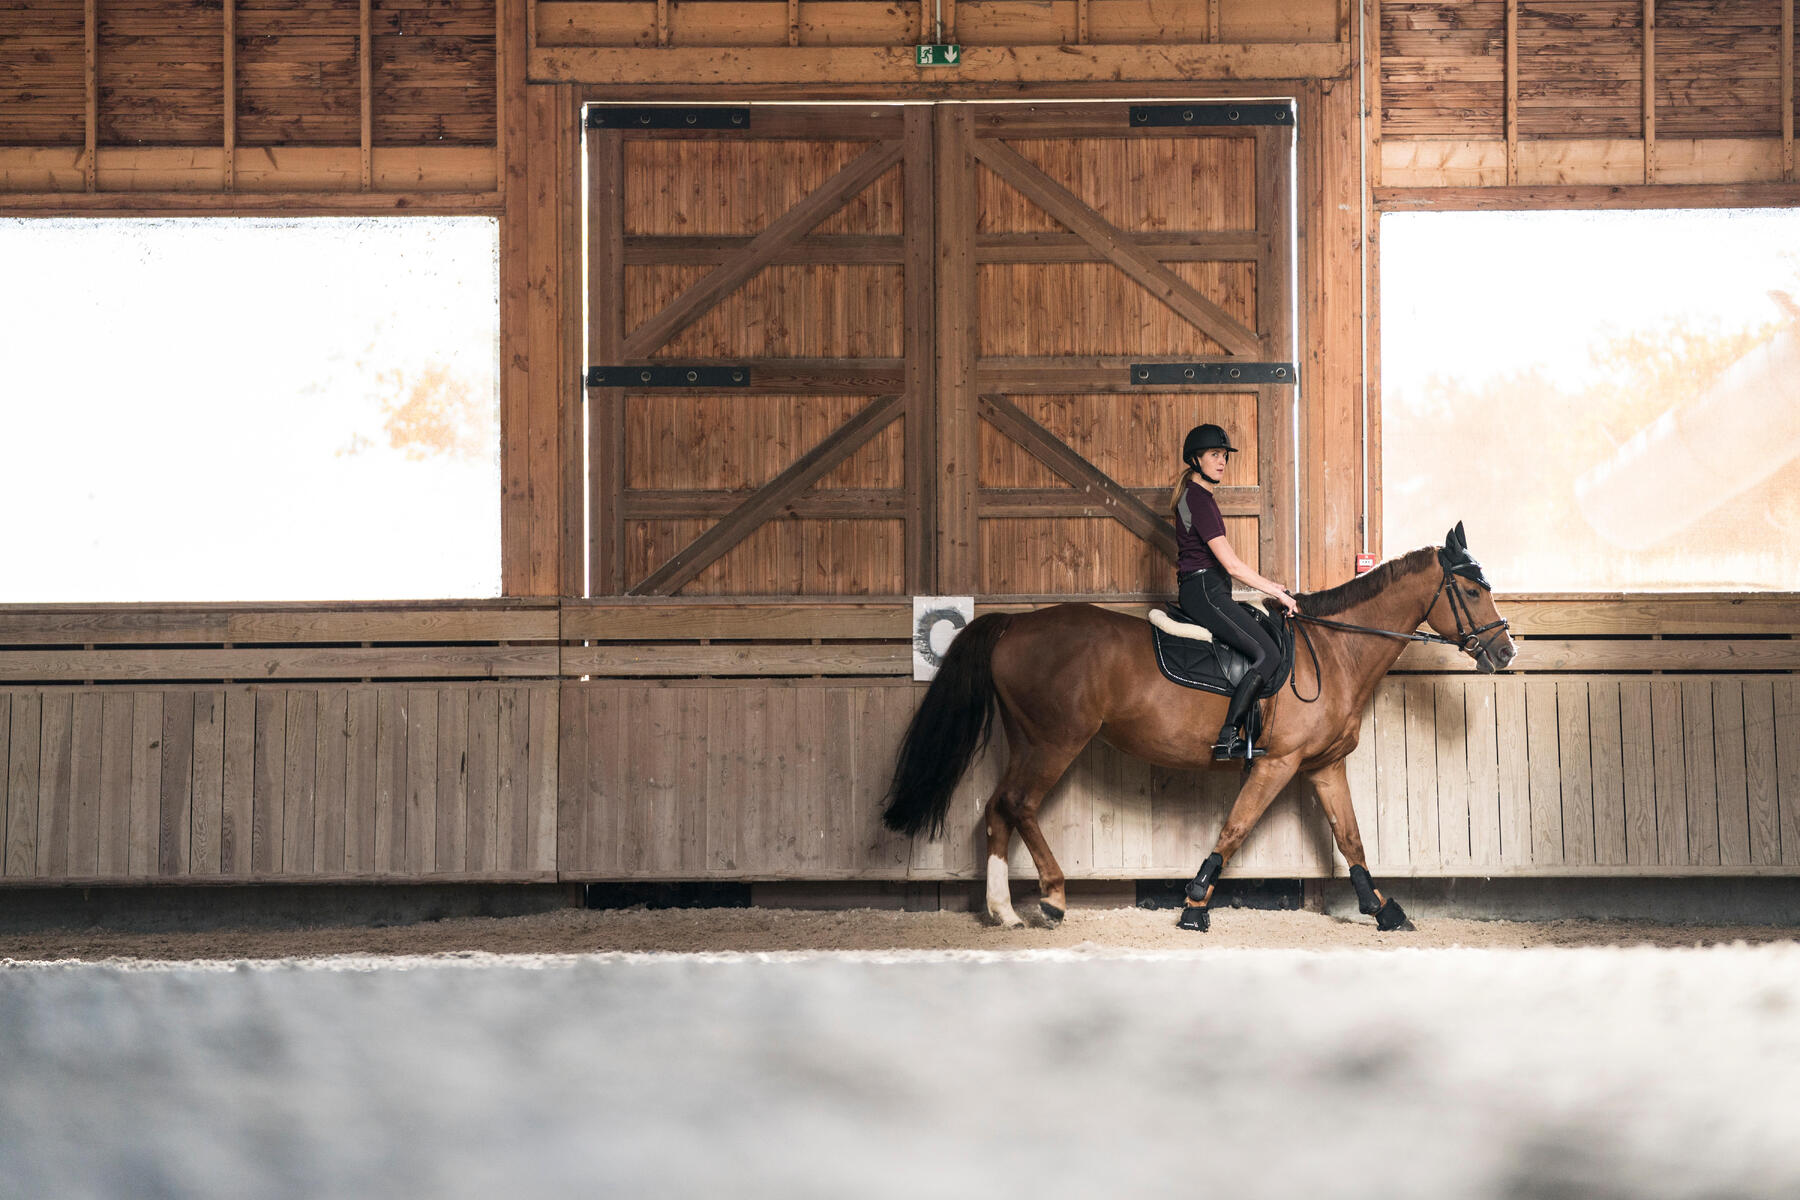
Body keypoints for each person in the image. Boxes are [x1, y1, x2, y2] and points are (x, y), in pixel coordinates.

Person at [1169, 423, 1299, 760]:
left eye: (1224, 455)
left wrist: (1273, 588)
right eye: (1215, 454)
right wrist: (1281, 595)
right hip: (1205, 590)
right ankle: (1228, 736)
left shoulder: (1196, 497)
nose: (1222, 461)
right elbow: (1233, 567)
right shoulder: (1199, 500)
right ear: (1195, 459)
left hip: (1205, 588)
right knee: (1269, 654)